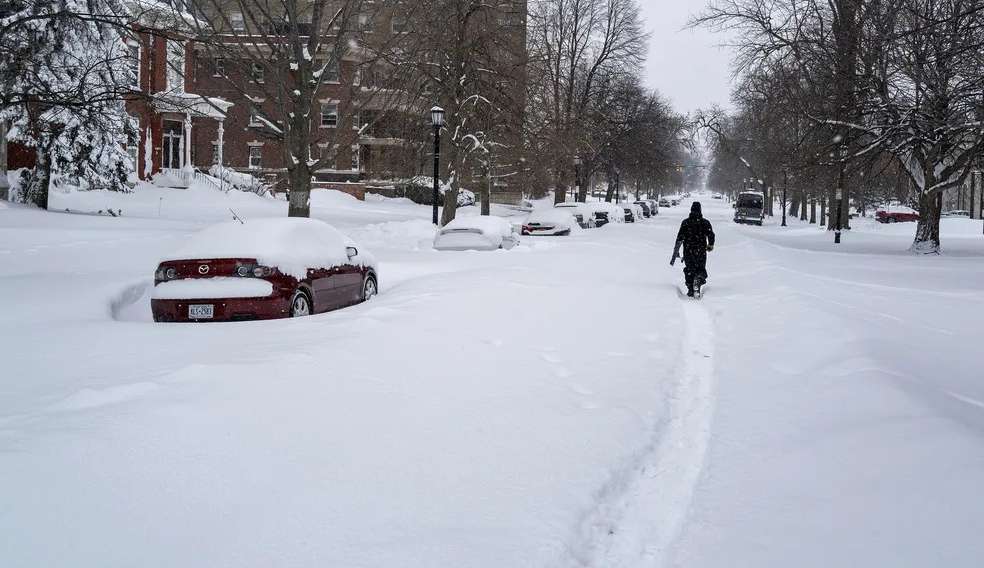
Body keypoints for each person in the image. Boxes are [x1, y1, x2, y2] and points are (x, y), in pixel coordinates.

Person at [671, 201, 715, 297]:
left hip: (688, 250)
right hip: (701, 250)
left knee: (689, 269)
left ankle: (691, 290)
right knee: (700, 268)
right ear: (700, 210)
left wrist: (676, 251)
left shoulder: (685, 223)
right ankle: (698, 281)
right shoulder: (705, 223)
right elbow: (711, 235)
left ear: (691, 210)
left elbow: (680, 238)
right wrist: (710, 245)